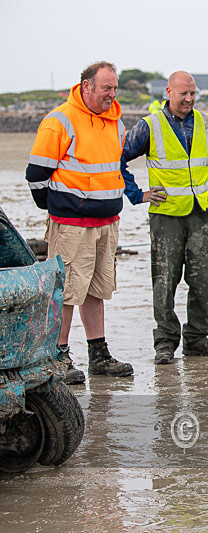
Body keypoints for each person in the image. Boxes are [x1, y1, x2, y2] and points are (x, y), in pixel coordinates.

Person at [121, 71, 208, 365]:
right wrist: (137, 194)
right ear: (168, 92)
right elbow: (118, 159)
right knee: (164, 281)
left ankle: (197, 339)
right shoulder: (149, 127)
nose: (188, 99)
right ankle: (165, 343)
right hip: (166, 217)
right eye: (182, 94)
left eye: (193, 94)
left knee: (203, 281)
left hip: (202, 213)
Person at [25, 61, 135, 383]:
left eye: (115, 88)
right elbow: (36, 176)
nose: (112, 95)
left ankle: (98, 355)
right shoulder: (60, 121)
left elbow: (115, 170)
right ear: (86, 86)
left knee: (97, 289)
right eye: (106, 88)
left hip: (107, 222)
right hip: (72, 224)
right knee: (66, 291)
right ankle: (59, 356)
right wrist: (61, 208)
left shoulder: (116, 124)